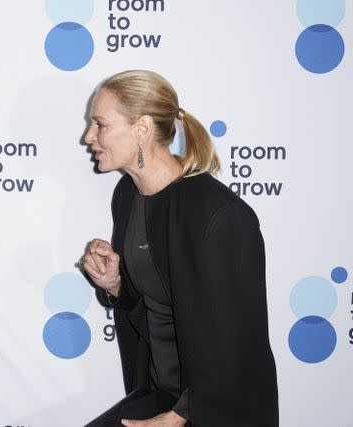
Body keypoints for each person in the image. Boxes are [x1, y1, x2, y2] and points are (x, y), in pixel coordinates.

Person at [80, 70, 278, 427]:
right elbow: (157, 304)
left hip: (215, 408)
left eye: (100, 124)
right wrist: (116, 285)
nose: (89, 137)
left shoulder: (220, 216)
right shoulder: (127, 197)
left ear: (141, 129)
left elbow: (237, 344)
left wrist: (179, 417)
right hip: (161, 393)